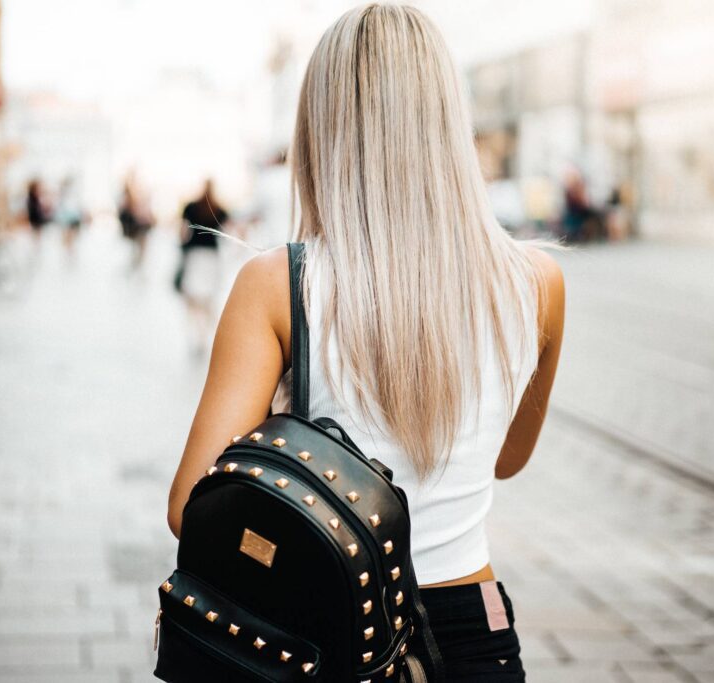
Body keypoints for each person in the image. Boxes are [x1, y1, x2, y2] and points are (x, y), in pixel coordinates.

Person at [166, 5, 564, 681]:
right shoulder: (537, 282)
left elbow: (190, 509)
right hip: (477, 634)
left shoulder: (279, 283)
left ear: (321, 130)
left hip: (329, 630)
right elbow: (506, 459)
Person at [178, 179, 228, 352]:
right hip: (212, 256)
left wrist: (181, 250)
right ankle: (204, 333)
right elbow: (229, 231)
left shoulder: (191, 207)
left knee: (192, 295)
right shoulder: (219, 209)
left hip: (194, 255)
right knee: (207, 297)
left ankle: (197, 332)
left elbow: (183, 232)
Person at [118, 173, 154, 269]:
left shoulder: (135, 198)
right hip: (132, 228)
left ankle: (138, 264)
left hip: (137, 228)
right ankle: (137, 264)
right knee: (141, 244)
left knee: (142, 245)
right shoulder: (126, 198)